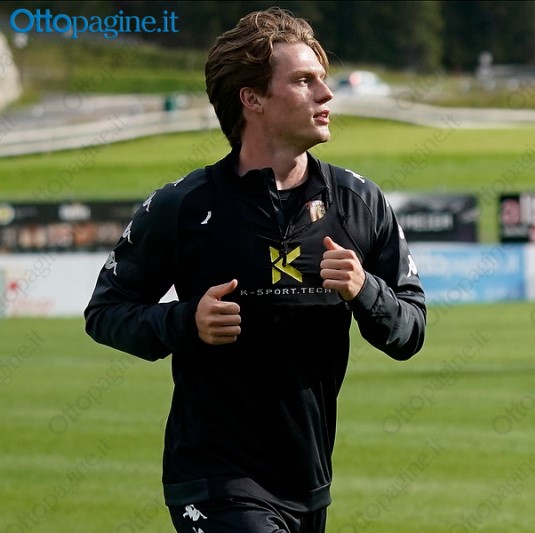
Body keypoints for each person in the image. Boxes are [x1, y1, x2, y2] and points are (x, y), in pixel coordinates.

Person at [84, 8, 426, 533]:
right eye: (304, 81)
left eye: (323, 79)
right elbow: (105, 313)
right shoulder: (182, 206)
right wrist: (185, 322)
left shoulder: (359, 203)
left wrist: (365, 290)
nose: (326, 95)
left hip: (308, 483)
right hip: (212, 479)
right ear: (253, 98)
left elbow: (410, 331)